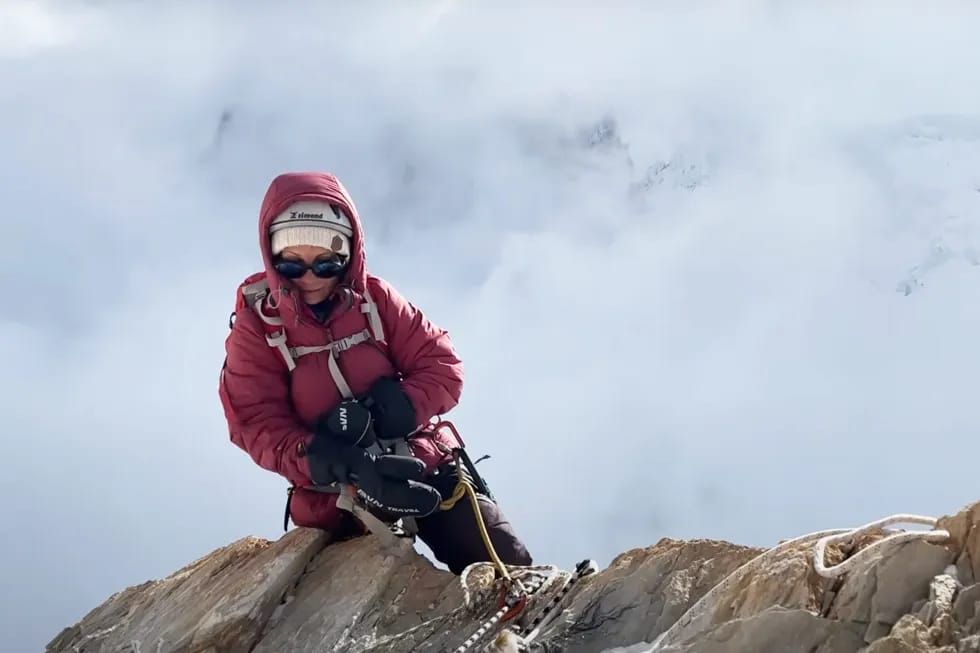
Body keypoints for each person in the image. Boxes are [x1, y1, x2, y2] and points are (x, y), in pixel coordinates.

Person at [218, 171, 532, 574]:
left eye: (326, 262)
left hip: (418, 460)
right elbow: (252, 419)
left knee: (507, 563)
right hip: (334, 495)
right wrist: (323, 457)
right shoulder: (260, 326)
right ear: (273, 257)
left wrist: (400, 407)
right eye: (293, 265)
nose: (311, 278)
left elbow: (442, 365)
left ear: (349, 255)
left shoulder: (375, 300)